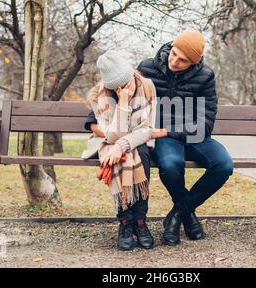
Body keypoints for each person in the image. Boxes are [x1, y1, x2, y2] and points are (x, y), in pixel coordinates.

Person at [86, 30, 234, 246]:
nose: (175, 61)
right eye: (174, 53)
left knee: (223, 165)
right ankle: (185, 216)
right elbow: (114, 89)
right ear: (171, 46)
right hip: (164, 140)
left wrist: (166, 131)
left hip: (194, 136)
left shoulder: (206, 77)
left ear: (195, 61)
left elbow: (206, 123)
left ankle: (178, 214)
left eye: (183, 60)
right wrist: (96, 122)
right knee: (171, 165)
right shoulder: (147, 68)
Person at [81, 50, 165, 251]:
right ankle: (126, 222)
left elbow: (145, 129)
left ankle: (140, 222)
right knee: (117, 158)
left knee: (141, 154)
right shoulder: (99, 96)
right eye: (115, 87)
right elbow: (112, 136)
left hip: (139, 139)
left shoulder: (147, 87)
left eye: (124, 83)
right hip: (108, 141)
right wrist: (124, 103)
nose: (122, 88)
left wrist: (122, 145)